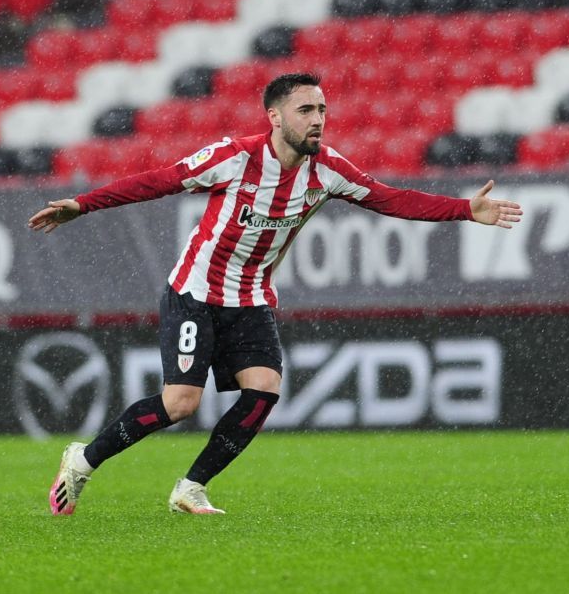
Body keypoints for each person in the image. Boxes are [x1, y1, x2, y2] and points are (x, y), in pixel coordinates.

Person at [28, 72, 523, 516]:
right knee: (180, 404)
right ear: (275, 116)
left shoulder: (327, 169)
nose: (318, 120)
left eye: (323, 110)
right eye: (306, 110)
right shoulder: (235, 157)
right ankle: (83, 459)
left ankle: (191, 487)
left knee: (264, 389)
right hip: (195, 292)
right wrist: (82, 204)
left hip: (249, 296)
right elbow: (159, 182)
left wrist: (463, 209)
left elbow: (391, 198)